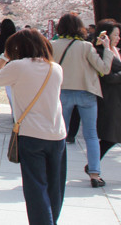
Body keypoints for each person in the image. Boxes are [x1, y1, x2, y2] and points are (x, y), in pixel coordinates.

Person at [0, 29, 65, 225]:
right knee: (54, 186)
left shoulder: (18, 66)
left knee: (35, 187)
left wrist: (4, 58)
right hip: (57, 134)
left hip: (30, 134)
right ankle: (51, 220)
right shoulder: (55, 68)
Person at [51, 12, 112, 187]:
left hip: (62, 92)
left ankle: (57, 171)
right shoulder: (85, 46)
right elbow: (104, 69)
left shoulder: (52, 45)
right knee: (91, 135)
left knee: (60, 134)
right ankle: (94, 174)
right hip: (86, 92)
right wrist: (107, 49)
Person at [92, 20, 121, 164]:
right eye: (115, 35)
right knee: (110, 136)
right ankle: (93, 164)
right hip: (110, 97)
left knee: (112, 136)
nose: (118, 38)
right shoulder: (101, 52)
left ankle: (93, 164)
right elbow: (107, 76)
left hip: (117, 97)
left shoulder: (116, 51)